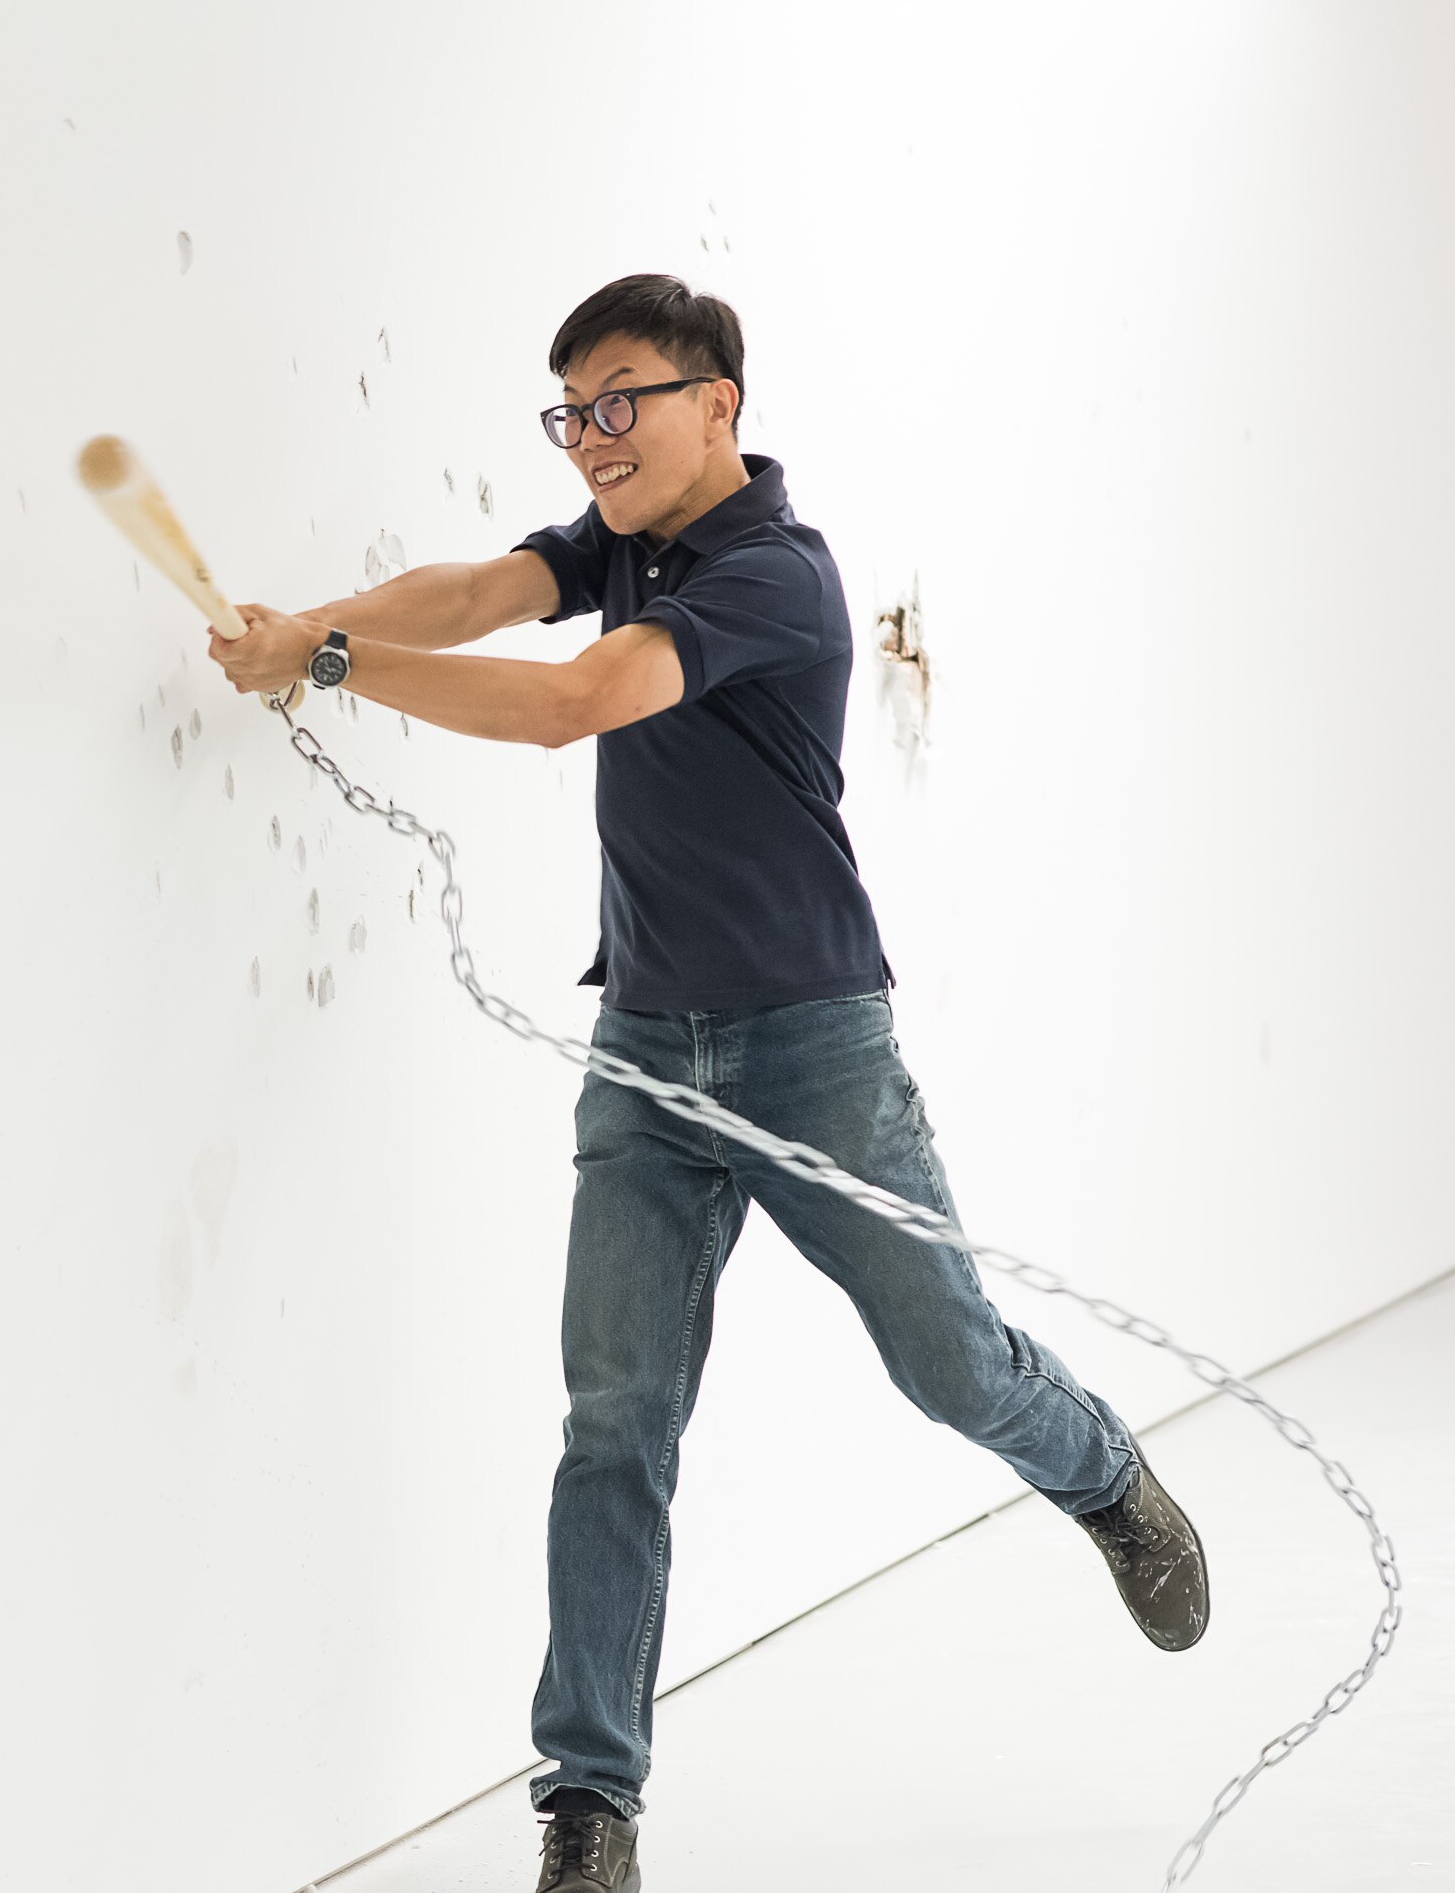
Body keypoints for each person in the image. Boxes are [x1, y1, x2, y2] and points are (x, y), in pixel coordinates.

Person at [208, 274, 1210, 1893]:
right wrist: (300, 623)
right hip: (645, 1057)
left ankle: (1105, 1475)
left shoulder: (777, 577)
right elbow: (469, 591)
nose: (592, 439)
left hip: (813, 1048)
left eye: (621, 402)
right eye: (570, 411)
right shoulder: (623, 544)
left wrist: (325, 661)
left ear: (717, 405)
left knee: (950, 1368)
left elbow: (570, 703)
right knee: (616, 1425)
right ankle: (591, 1808)